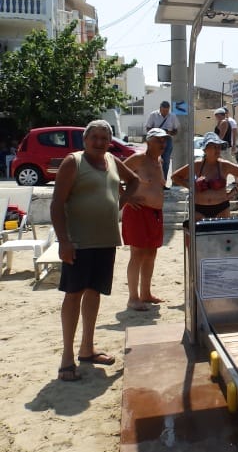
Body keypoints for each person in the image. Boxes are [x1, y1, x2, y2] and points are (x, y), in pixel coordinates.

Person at [51, 120, 141, 382]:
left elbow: (133, 181)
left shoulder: (112, 160)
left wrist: (120, 202)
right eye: (95, 137)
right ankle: (67, 358)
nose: (100, 142)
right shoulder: (73, 162)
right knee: (73, 295)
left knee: (94, 293)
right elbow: (57, 204)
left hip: (106, 240)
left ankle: (87, 349)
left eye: (104, 138)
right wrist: (63, 241)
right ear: (86, 139)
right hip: (78, 242)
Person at [122, 127, 167, 312]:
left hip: (155, 213)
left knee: (151, 254)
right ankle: (133, 298)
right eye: (158, 140)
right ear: (149, 142)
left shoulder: (160, 160)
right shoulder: (138, 159)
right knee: (137, 254)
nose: (163, 144)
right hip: (138, 211)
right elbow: (113, 175)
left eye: (164, 140)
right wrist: (127, 197)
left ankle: (145, 293)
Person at [171, 131, 238, 221]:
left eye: (219, 147)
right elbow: (175, 177)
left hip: (221, 208)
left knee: (220, 234)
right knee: (197, 234)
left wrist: (232, 193)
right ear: (205, 149)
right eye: (214, 146)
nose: (217, 150)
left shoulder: (224, 165)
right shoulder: (197, 165)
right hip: (199, 209)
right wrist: (191, 186)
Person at [145, 100, 180, 186]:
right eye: (163, 111)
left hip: (167, 140)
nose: (165, 113)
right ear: (160, 109)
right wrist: (157, 132)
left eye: (167, 111)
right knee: (152, 160)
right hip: (155, 139)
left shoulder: (172, 116)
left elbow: (176, 130)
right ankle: (152, 181)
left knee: (166, 161)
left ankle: (162, 183)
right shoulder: (153, 115)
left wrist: (168, 132)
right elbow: (148, 128)